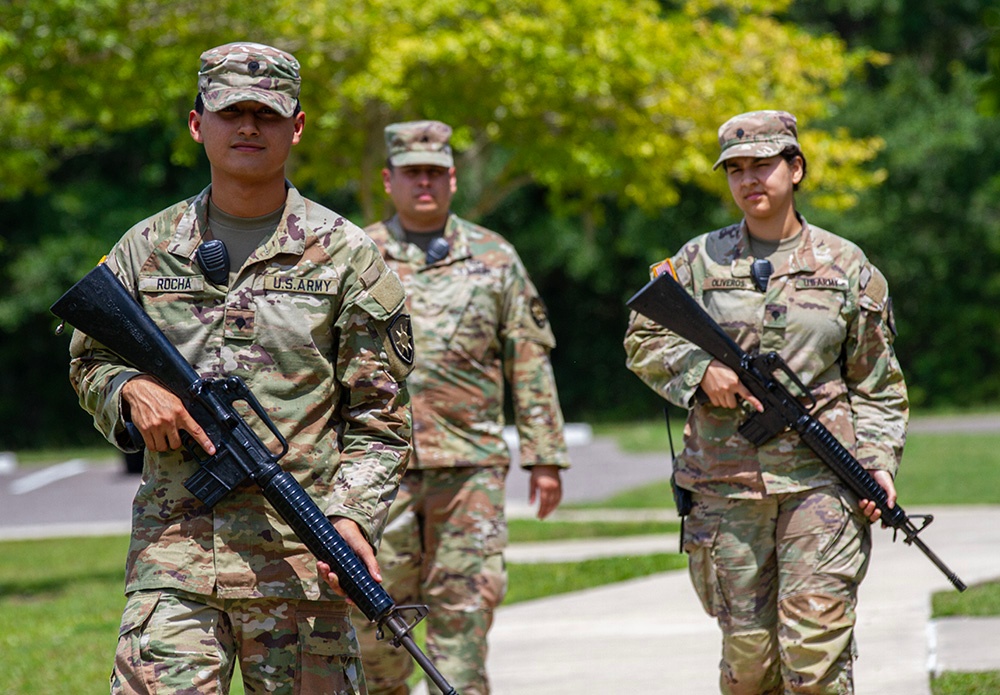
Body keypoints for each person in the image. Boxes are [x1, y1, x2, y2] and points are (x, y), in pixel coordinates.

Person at [66, 42, 413, 695]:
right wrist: (129, 387)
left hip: (301, 566)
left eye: (267, 113)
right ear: (198, 124)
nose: (249, 126)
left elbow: (381, 421)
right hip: (173, 563)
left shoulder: (348, 258)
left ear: (297, 127)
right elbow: (90, 359)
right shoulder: (146, 247)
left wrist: (349, 518)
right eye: (231, 111)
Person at [624, 110, 908, 694]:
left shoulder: (847, 266)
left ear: (795, 168)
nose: (749, 179)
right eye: (736, 169)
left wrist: (878, 462)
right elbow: (643, 338)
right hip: (725, 491)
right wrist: (701, 372)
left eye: (763, 165)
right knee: (750, 664)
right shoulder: (698, 261)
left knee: (813, 660)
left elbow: (877, 382)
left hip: (823, 485)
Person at [342, 120, 570, 695]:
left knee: (466, 617)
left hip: (471, 469)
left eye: (436, 173)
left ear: (452, 180)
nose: (425, 183)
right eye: (412, 173)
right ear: (389, 179)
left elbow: (529, 357)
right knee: (372, 627)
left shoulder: (495, 256)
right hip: (375, 473)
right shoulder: (353, 253)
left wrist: (545, 456)